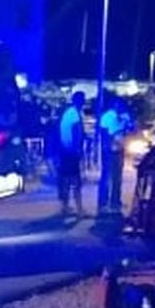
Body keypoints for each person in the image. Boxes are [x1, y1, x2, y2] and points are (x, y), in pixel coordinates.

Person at [57, 90, 87, 218]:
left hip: (65, 151)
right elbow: (76, 132)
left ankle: (65, 207)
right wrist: (78, 149)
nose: (84, 102)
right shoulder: (74, 114)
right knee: (75, 181)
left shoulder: (68, 113)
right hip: (71, 152)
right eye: (82, 100)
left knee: (66, 180)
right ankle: (79, 210)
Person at [97, 98, 131, 213]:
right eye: (120, 105)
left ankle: (115, 201)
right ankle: (103, 203)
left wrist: (127, 124)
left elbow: (129, 130)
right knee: (107, 177)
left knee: (117, 177)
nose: (121, 107)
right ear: (115, 105)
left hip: (119, 150)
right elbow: (104, 134)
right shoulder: (107, 117)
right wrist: (107, 147)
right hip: (109, 151)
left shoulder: (123, 117)